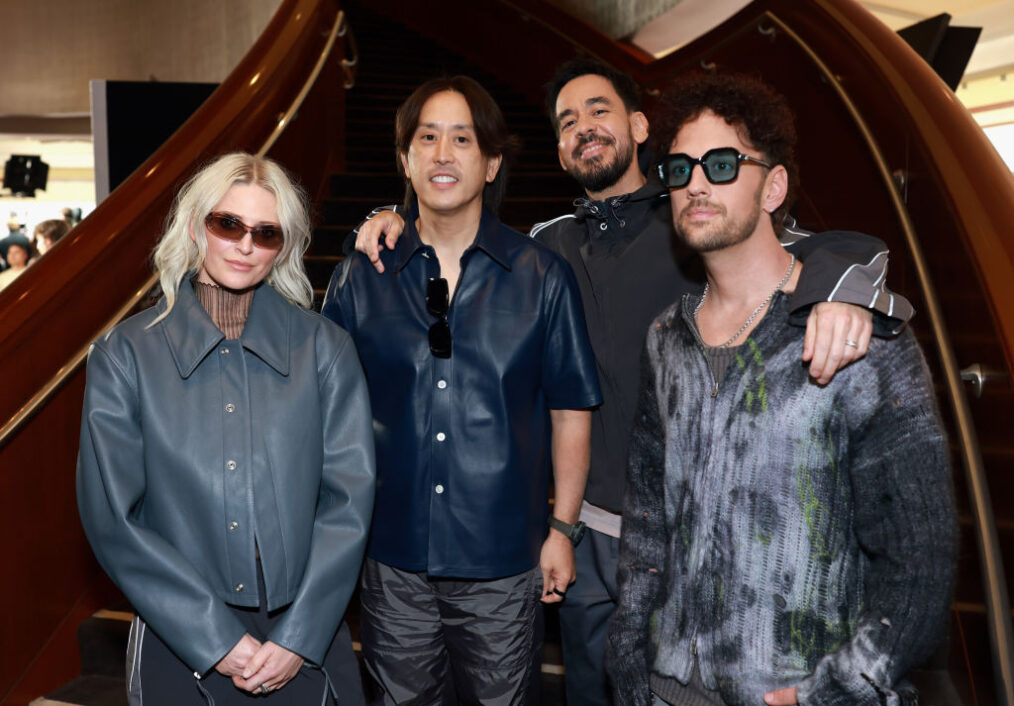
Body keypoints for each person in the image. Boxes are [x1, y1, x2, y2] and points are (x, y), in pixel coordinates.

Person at [351, 58, 913, 706]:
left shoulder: (695, 217)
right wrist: (387, 218)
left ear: (639, 125)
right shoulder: (543, 248)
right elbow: (452, 225)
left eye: (599, 110)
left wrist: (845, 290)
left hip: (690, 536)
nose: (584, 128)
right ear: (559, 150)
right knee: (596, 688)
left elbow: (821, 246)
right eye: (567, 121)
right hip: (586, 536)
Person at [608, 71, 956, 706]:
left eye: (720, 164)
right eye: (679, 169)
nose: (696, 185)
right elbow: (649, 523)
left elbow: (920, 558)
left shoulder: (857, 338)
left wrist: (838, 690)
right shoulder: (667, 337)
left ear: (774, 186)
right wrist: (629, 666)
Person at [322, 76, 602, 705]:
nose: (443, 154)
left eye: (462, 138)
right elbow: (324, 411)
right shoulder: (360, 278)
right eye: (427, 138)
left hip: (504, 558)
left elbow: (570, 409)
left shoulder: (542, 278)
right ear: (405, 159)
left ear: (491, 161)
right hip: (391, 559)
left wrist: (563, 528)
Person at [76, 152, 375, 706]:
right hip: (179, 635)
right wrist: (214, 638)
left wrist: (298, 638)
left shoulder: (324, 348)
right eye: (228, 224)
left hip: (305, 630)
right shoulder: (126, 354)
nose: (245, 245)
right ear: (196, 227)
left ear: (281, 246)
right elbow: (115, 519)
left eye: (266, 233)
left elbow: (349, 503)